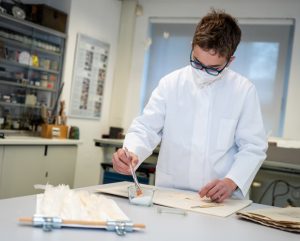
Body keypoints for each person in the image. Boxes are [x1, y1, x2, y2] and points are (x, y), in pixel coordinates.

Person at [112, 9, 267, 203]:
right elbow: (146, 128)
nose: (202, 72)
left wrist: (231, 181)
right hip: (170, 194)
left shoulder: (243, 91)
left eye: (213, 68)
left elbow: (253, 147)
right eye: (197, 62)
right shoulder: (170, 83)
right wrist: (131, 154)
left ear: (230, 60)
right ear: (192, 46)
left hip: (220, 200)